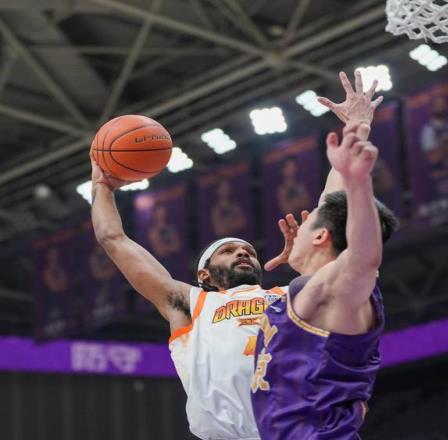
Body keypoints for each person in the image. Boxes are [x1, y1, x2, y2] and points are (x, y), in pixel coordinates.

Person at [90, 70, 382, 440]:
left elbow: (331, 213)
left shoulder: (290, 298)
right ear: (204, 275)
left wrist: (357, 129)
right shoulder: (190, 304)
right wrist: (101, 187)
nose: (242, 252)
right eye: (228, 251)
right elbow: (114, 239)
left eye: (248, 250)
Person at [251, 70, 398, 439]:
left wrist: (359, 182)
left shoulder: (339, 288)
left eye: (307, 221)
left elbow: (363, 257)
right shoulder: (316, 287)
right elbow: (332, 201)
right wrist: (358, 128)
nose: (296, 225)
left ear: (321, 236)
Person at [420, 95, 448, 198]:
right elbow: (432, 157)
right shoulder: (428, 129)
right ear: (432, 108)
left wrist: (443, 147)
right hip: (440, 174)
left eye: (443, 105)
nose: (441, 108)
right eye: (438, 105)